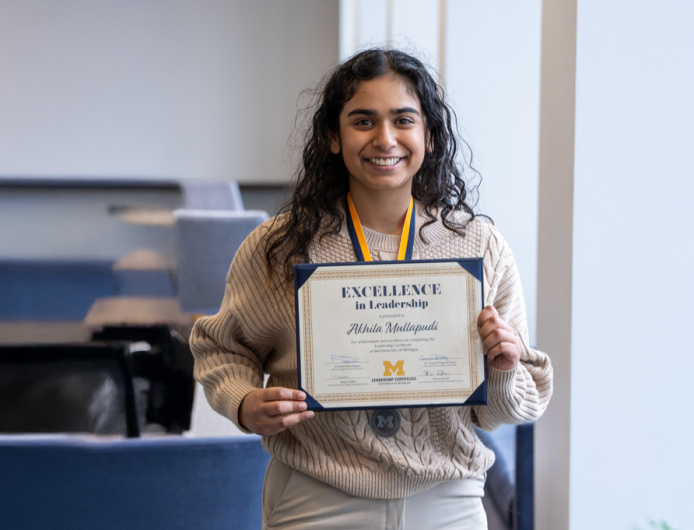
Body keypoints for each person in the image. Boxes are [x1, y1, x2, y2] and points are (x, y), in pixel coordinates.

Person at [190, 48, 553, 529]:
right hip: (317, 498)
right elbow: (219, 348)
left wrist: (503, 369)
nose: (385, 139)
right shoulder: (279, 247)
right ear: (333, 137)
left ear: (428, 134)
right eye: (363, 121)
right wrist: (243, 402)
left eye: (404, 119)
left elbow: (503, 412)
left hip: (446, 500)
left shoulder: (480, 246)